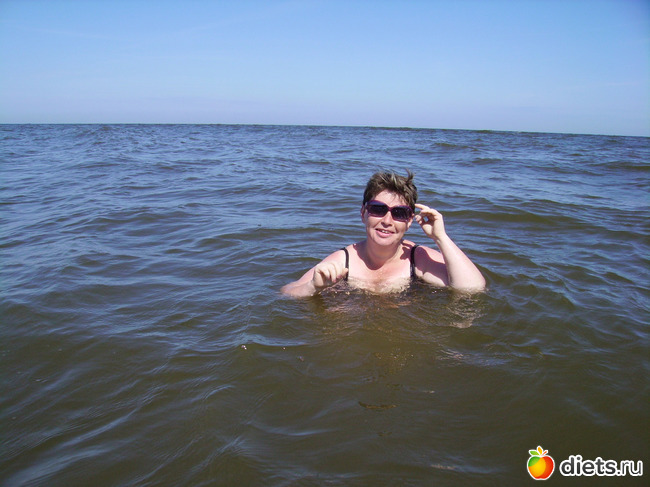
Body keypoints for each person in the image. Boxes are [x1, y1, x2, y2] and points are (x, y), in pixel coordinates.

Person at [281, 171, 486, 297]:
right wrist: (313, 287)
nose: (387, 221)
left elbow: (472, 288)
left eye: (399, 213)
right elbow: (287, 292)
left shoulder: (418, 258)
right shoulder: (344, 260)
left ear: (409, 222)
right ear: (363, 214)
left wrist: (440, 237)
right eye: (378, 209)